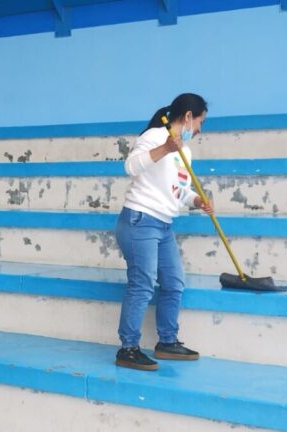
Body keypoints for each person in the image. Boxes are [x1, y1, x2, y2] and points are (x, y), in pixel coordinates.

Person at [115, 93, 213, 371]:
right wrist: (166, 148)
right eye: (200, 122)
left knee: (173, 282)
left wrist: (197, 201)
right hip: (140, 219)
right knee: (142, 284)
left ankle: (167, 342)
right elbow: (130, 166)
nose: (199, 130)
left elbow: (179, 189)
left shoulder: (187, 151)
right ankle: (128, 348)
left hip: (163, 224)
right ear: (189, 117)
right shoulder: (155, 137)